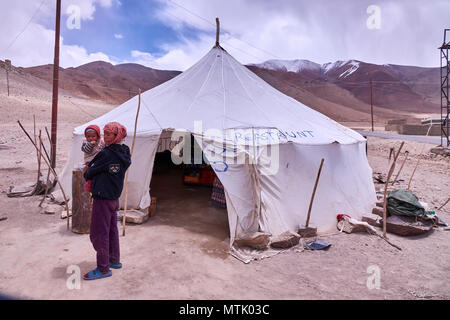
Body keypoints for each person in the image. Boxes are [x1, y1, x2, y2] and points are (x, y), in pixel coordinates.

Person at [83, 122, 131, 280]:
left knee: (99, 233)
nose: (105, 137)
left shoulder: (106, 153)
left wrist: (88, 170)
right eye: (104, 133)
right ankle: (114, 259)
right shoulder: (125, 151)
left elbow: (89, 173)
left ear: (117, 135)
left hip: (102, 198)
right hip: (114, 197)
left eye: (109, 134)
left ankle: (103, 268)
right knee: (111, 229)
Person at [81, 125, 105, 193]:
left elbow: (105, 148)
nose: (91, 138)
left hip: (99, 161)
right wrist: (90, 144)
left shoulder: (101, 141)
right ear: (86, 137)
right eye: (88, 136)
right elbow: (86, 150)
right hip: (90, 162)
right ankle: (89, 187)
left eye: (93, 136)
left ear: (98, 136)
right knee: (89, 176)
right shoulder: (85, 142)